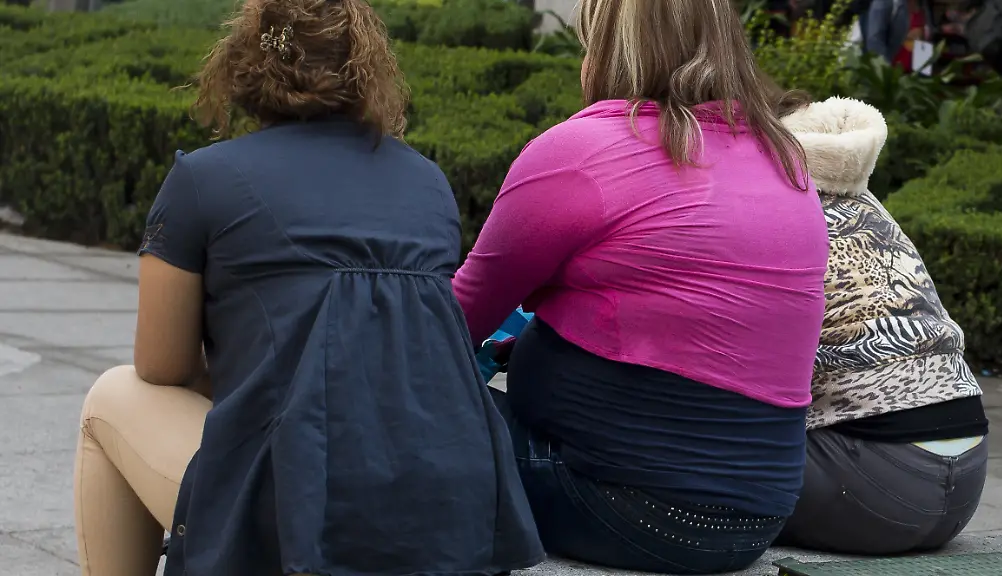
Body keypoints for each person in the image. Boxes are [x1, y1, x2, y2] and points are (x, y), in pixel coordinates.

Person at [71, 1, 544, 575]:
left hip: (302, 505)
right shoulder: (427, 182)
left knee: (111, 396)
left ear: (244, 61)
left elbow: (162, 365)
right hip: (448, 504)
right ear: (368, 68)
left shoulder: (205, 179)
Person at [452, 0, 830, 573]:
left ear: (606, 45)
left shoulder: (579, 152)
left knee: (402, 414)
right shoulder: (783, 158)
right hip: (757, 518)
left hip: (625, 508)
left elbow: (448, 326)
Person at [776, 97, 988, 555]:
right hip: (970, 473)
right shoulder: (863, 202)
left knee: (704, 454)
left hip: (876, 483)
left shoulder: (774, 208)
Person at [866, 0, 935, 71]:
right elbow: (875, 42)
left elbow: (929, 33)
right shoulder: (885, 3)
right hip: (893, 73)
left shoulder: (924, 6)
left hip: (917, 72)